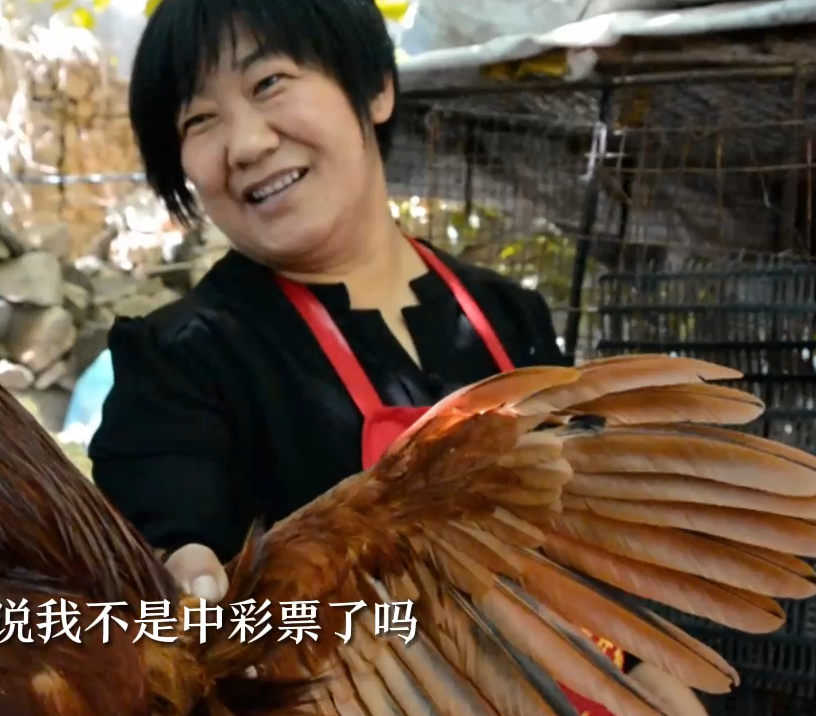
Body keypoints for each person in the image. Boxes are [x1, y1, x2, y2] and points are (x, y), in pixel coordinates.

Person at [88, 1, 708, 714]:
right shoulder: (176, 359)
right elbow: (170, 545)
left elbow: (590, 553)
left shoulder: (508, 317)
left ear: (376, 87)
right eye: (200, 120)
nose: (247, 143)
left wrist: (648, 675)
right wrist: (181, 575)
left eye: (269, 83)